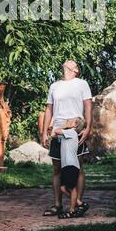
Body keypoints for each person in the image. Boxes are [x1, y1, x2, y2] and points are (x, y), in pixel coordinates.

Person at [42, 60, 92, 217]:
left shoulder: (82, 84)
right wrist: (44, 132)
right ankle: (59, 205)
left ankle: (78, 203)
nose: (68, 62)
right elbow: (48, 109)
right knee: (57, 169)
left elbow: (88, 107)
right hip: (57, 130)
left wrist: (88, 128)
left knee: (78, 169)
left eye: (73, 63)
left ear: (76, 70)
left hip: (75, 132)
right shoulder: (54, 86)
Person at [51, 117, 87, 218]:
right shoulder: (67, 133)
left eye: (71, 120)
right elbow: (53, 135)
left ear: (75, 125)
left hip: (71, 165)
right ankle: (79, 204)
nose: (68, 120)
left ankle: (72, 210)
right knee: (62, 188)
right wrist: (64, 127)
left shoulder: (71, 132)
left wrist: (66, 126)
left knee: (71, 188)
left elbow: (56, 130)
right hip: (66, 165)